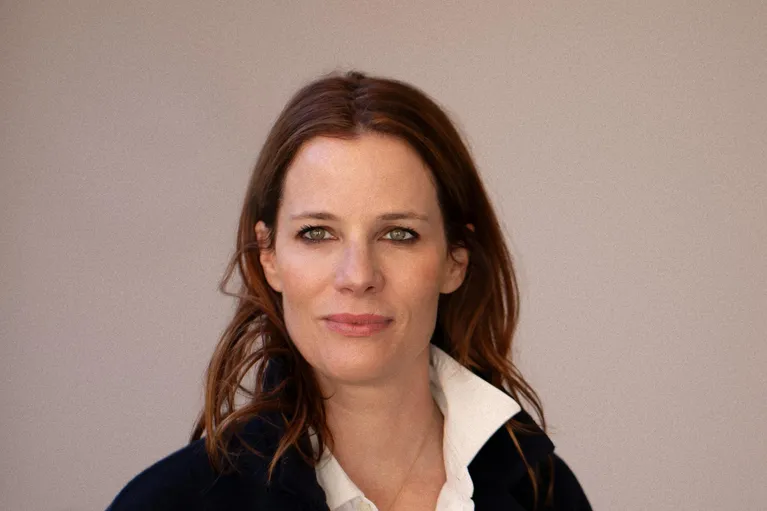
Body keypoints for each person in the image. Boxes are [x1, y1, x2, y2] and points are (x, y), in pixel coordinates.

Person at [107, 69, 592, 511]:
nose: (358, 276)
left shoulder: (545, 493)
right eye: (317, 233)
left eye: (398, 234)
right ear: (269, 256)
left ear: (455, 259)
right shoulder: (162, 505)